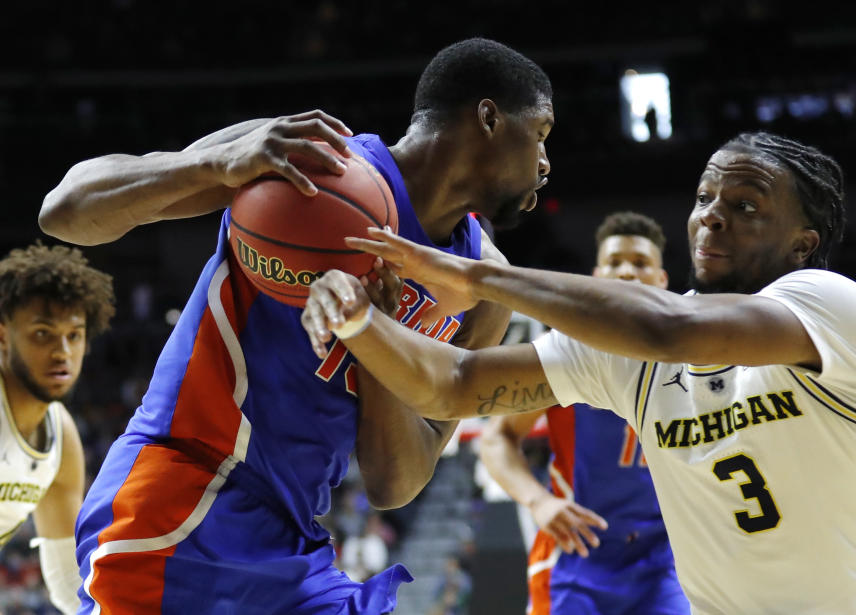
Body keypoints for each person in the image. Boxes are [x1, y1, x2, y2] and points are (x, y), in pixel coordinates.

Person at [302, 132, 856, 614]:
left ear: (801, 243)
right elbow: (454, 383)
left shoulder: (832, 306)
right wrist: (363, 322)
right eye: (703, 197)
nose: (712, 214)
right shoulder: (624, 350)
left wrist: (477, 277)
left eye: (746, 204)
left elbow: (672, 331)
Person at [40, 37, 553, 614]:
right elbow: (65, 211)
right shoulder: (304, 158)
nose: (545, 162)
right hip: (176, 493)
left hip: (292, 538)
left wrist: (376, 338)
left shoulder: (482, 290)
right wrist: (216, 163)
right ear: (489, 117)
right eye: (540, 133)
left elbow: (395, 484)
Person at [478, 211, 688, 614]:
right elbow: (496, 437)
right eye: (614, 263)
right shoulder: (568, 351)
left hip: (664, 557)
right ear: (596, 277)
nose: (627, 272)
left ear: (662, 280)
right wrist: (538, 501)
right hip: (578, 552)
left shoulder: (691, 354)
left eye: (641, 263)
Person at [0, 243, 115, 613]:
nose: (62, 351)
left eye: (74, 335)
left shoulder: (60, 434)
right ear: (4, 336)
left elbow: (69, 584)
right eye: (42, 334)